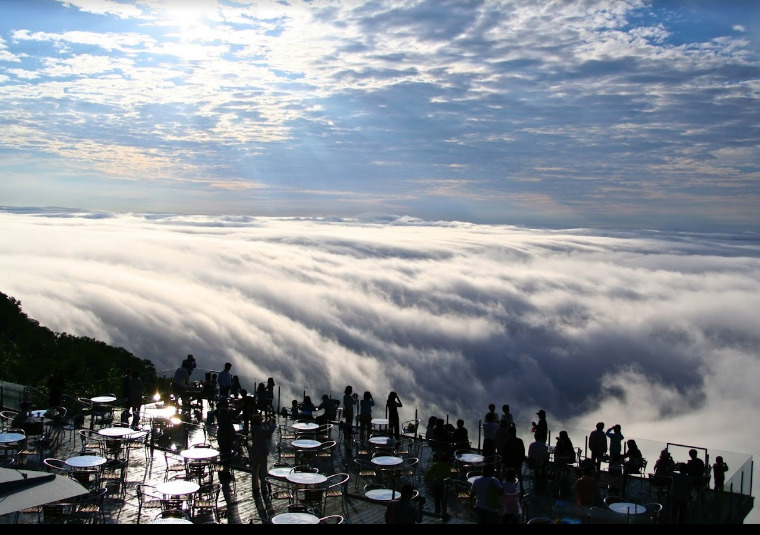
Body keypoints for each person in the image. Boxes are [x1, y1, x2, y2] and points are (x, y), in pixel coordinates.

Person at [247, 412, 277, 498]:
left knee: (255, 469)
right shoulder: (260, 430)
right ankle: (264, 488)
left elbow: (262, 425)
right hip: (262, 451)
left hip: (255, 451)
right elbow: (269, 432)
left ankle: (255, 486)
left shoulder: (254, 428)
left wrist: (267, 422)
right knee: (263, 470)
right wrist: (273, 424)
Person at [500, 426, 526, 494]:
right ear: (515, 432)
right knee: (519, 474)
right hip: (517, 462)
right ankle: (521, 488)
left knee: (504, 474)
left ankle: (501, 487)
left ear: (509, 433)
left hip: (508, 462)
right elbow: (522, 451)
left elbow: (504, 452)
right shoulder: (519, 441)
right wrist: (522, 459)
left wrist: (503, 461)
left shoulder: (507, 441)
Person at [425, 450, 451, 514]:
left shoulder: (436, 465)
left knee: (437, 498)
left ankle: (437, 511)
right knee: (443, 498)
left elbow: (428, 474)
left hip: (436, 483)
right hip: (444, 484)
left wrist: (429, 479)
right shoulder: (447, 467)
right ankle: (443, 511)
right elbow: (449, 476)